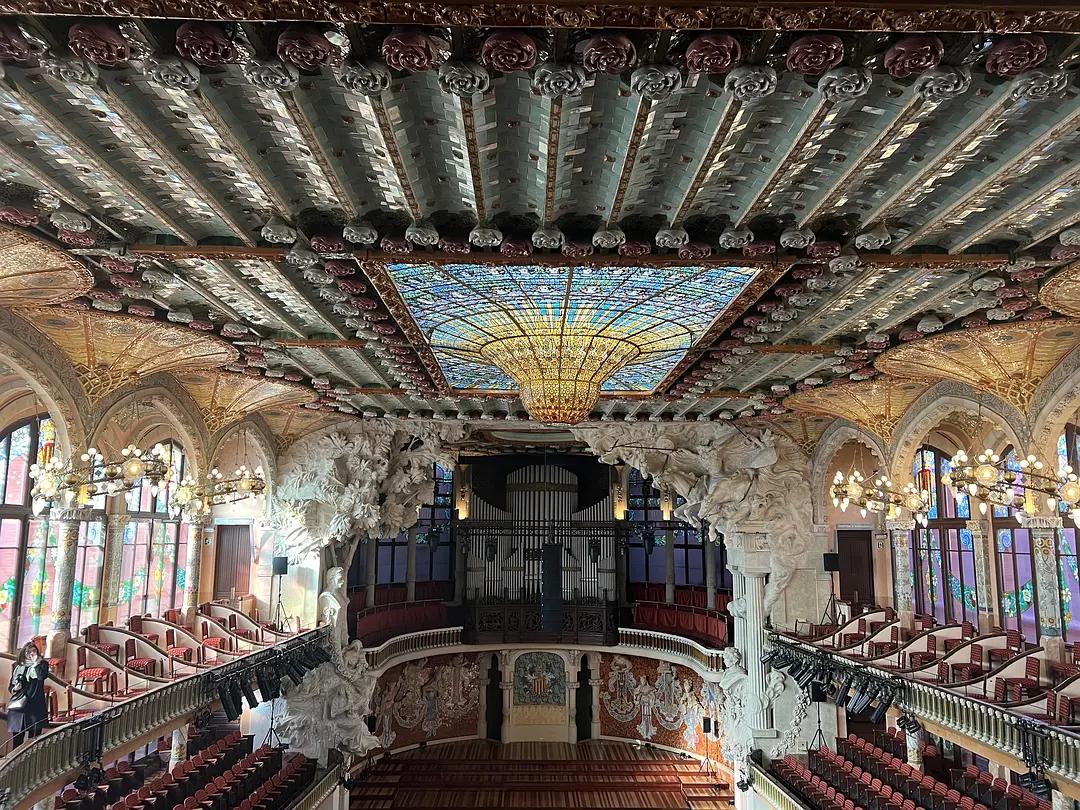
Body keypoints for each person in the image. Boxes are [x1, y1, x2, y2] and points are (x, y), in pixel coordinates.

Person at [6, 642, 49, 749]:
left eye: (33, 651)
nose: (31, 654)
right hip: (18, 706)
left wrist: (35, 663)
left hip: (34, 705)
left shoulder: (42, 664)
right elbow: (10, 687)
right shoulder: (18, 666)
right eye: (28, 652)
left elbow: (41, 676)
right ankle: (16, 763)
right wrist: (15, 688)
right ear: (23, 653)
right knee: (17, 741)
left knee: (33, 741)